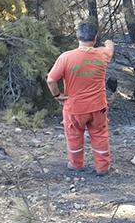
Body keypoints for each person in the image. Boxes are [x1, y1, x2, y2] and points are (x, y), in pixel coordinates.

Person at [47, 22, 115, 176]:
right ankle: (103, 167)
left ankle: (76, 165)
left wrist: (57, 96)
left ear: (77, 36)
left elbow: (51, 80)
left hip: (74, 108)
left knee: (74, 136)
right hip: (98, 107)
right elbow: (110, 47)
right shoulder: (103, 54)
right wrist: (108, 42)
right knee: (100, 135)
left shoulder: (66, 57)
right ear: (95, 37)